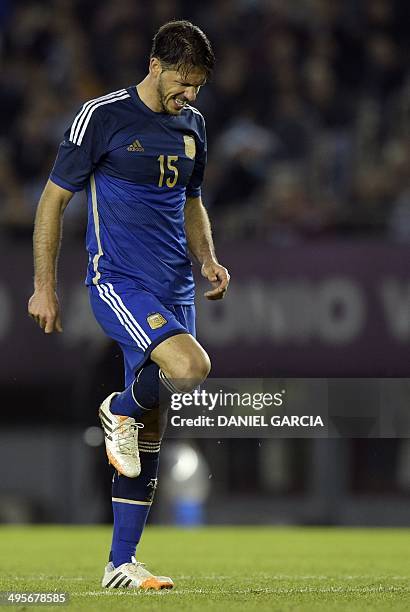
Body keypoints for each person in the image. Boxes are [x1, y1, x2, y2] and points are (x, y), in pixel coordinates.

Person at [28, 20, 230, 590]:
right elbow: (52, 201)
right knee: (190, 369)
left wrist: (208, 259)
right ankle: (116, 404)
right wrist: (44, 285)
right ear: (154, 64)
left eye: (198, 86)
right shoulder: (102, 117)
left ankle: (122, 562)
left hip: (176, 288)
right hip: (119, 280)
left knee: (150, 429)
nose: (190, 95)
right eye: (183, 82)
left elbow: (191, 199)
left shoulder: (193, 125)